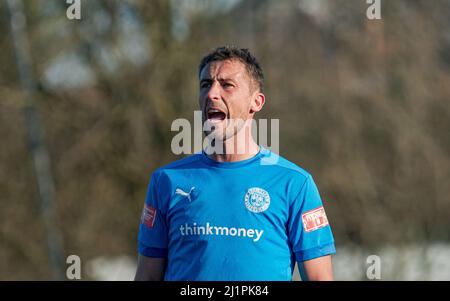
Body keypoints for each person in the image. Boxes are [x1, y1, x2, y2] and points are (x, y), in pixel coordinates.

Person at [134, 46, 336, 281]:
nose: (212, 94)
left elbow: (320, 278)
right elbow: (147, 276)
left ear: (256, 102)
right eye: (205, 84)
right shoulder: (166, 181)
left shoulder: (295, 184)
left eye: (226, 85)